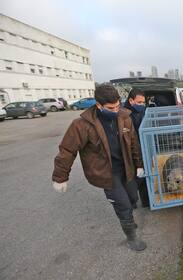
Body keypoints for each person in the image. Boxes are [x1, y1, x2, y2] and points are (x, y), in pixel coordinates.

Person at [52, 84, 147, 251]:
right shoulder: (82, 125)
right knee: (123, 205)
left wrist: (139, 164)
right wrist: (60, 177)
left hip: (127, 168)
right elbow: (67, 150)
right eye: (111, 108)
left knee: (133, 198)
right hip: (106, 174)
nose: (116, 110)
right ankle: (131, 237)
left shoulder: (125, 117)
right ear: (98, 105)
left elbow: (133, 143)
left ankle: (129, 221)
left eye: (118, 106)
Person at [124, 88, 149, 208]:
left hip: (142, 147)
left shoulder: (142, 111)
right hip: (131, 151)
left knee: (143, 177)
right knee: (132, 178)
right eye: (139, 102)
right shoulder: (124, 115)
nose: (142, 105)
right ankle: (132, 202)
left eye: (143, 102)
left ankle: (146, 201)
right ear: (131, 100)